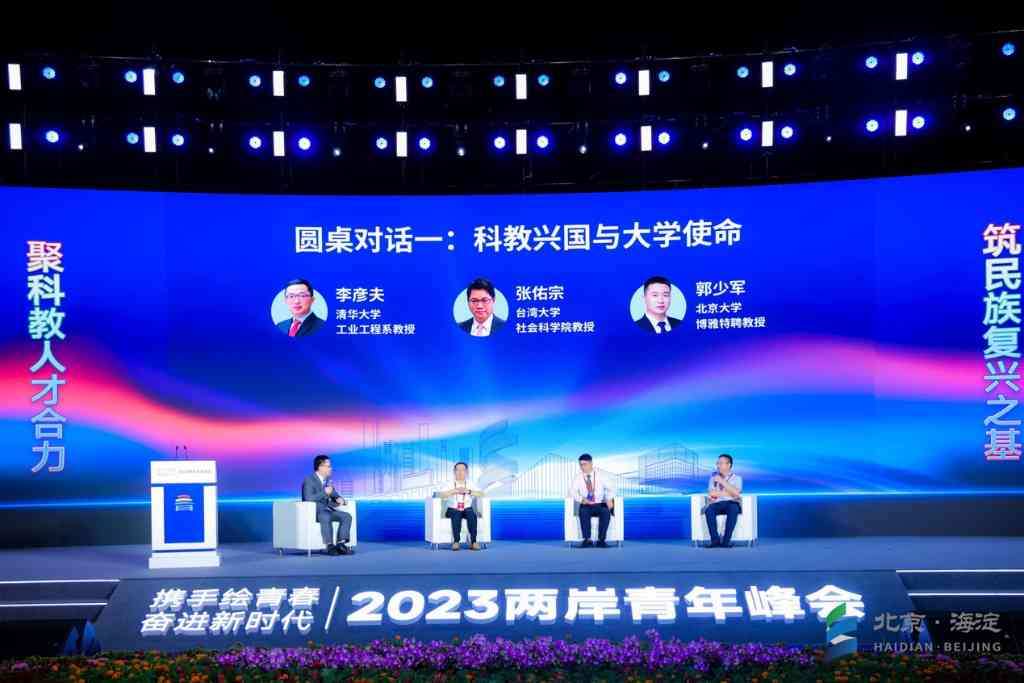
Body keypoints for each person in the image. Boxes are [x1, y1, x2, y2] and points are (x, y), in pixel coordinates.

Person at [301, 454, 353, 555]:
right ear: (320, 467)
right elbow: (308, 498)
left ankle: (341, 544)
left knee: (346, 516)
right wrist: (324, 492)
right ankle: (329, 546)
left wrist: (340, 499)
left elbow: (334, 494)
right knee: (325, 516)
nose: (331, 468)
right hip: (315, 512)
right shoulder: (309, 480)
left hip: (327, 510)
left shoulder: (327, 481)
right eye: (328, 466)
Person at [568, 453, 616, 548]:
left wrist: (608, 498)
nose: (582, 467)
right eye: (580, 464)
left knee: (605, 511)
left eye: (584, 464)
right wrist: (582, 499)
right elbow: (572, 491)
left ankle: (601, 541)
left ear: (591, 463)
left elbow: (612, 488)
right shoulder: (578, 477)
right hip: (586, 504)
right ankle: (587, 540)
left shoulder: (601, 474)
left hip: (600, 503)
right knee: (583, 511)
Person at [437, 462, 485, 550]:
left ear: (466, 472)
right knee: (456, 512)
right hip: (452, 509)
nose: (460, 472)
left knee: (471, 514)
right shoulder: (449, 483)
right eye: (458, 470)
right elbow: (441, 495)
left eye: (463, 470)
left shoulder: (470, 483)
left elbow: (481, 494)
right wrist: (454, 491)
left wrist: (468, 491)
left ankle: (474, 542)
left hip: (467, 509)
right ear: (454, 471)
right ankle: (456, 542)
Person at [703, 454, 743, 548]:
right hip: (717, 503)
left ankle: (726, 541)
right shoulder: (713, 478)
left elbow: (737, 493)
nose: (718, 465)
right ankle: (715, 541)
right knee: (709, 510)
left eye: (720, 463)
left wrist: (722, 481)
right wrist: (730, 492)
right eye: (717, 463)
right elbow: (712, 493)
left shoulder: (737, 478)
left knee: (733, 508)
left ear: (728, 465)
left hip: (732, 503)